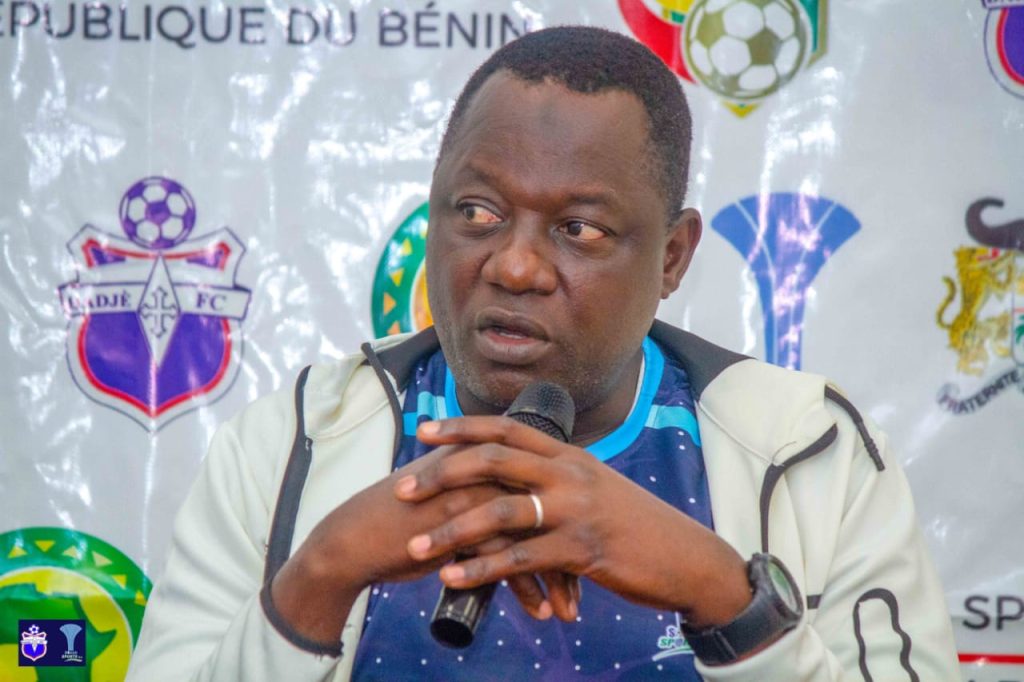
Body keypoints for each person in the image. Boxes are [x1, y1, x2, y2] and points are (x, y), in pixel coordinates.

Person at [126, 25, 960, 681]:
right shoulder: (288, 445)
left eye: (579, 229)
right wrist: (320, 575)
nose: (515, 265)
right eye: (478, 212)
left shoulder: (811, 452)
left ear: (672, 257)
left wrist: (726, 598)